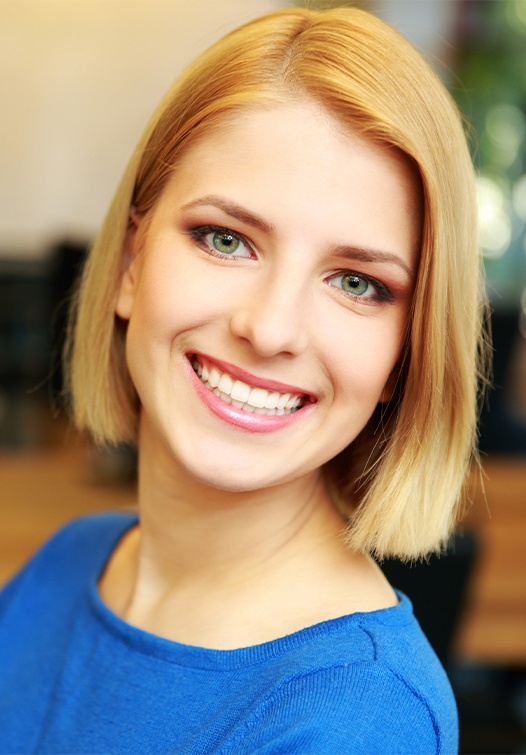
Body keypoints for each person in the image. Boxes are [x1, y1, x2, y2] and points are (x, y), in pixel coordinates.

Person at [0, 6, 487, 754]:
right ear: (131, 263)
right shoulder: (66, 567)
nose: (270, 328)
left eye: (357, 283)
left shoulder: (358, 720)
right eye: (226, 239)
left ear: (405, 354)